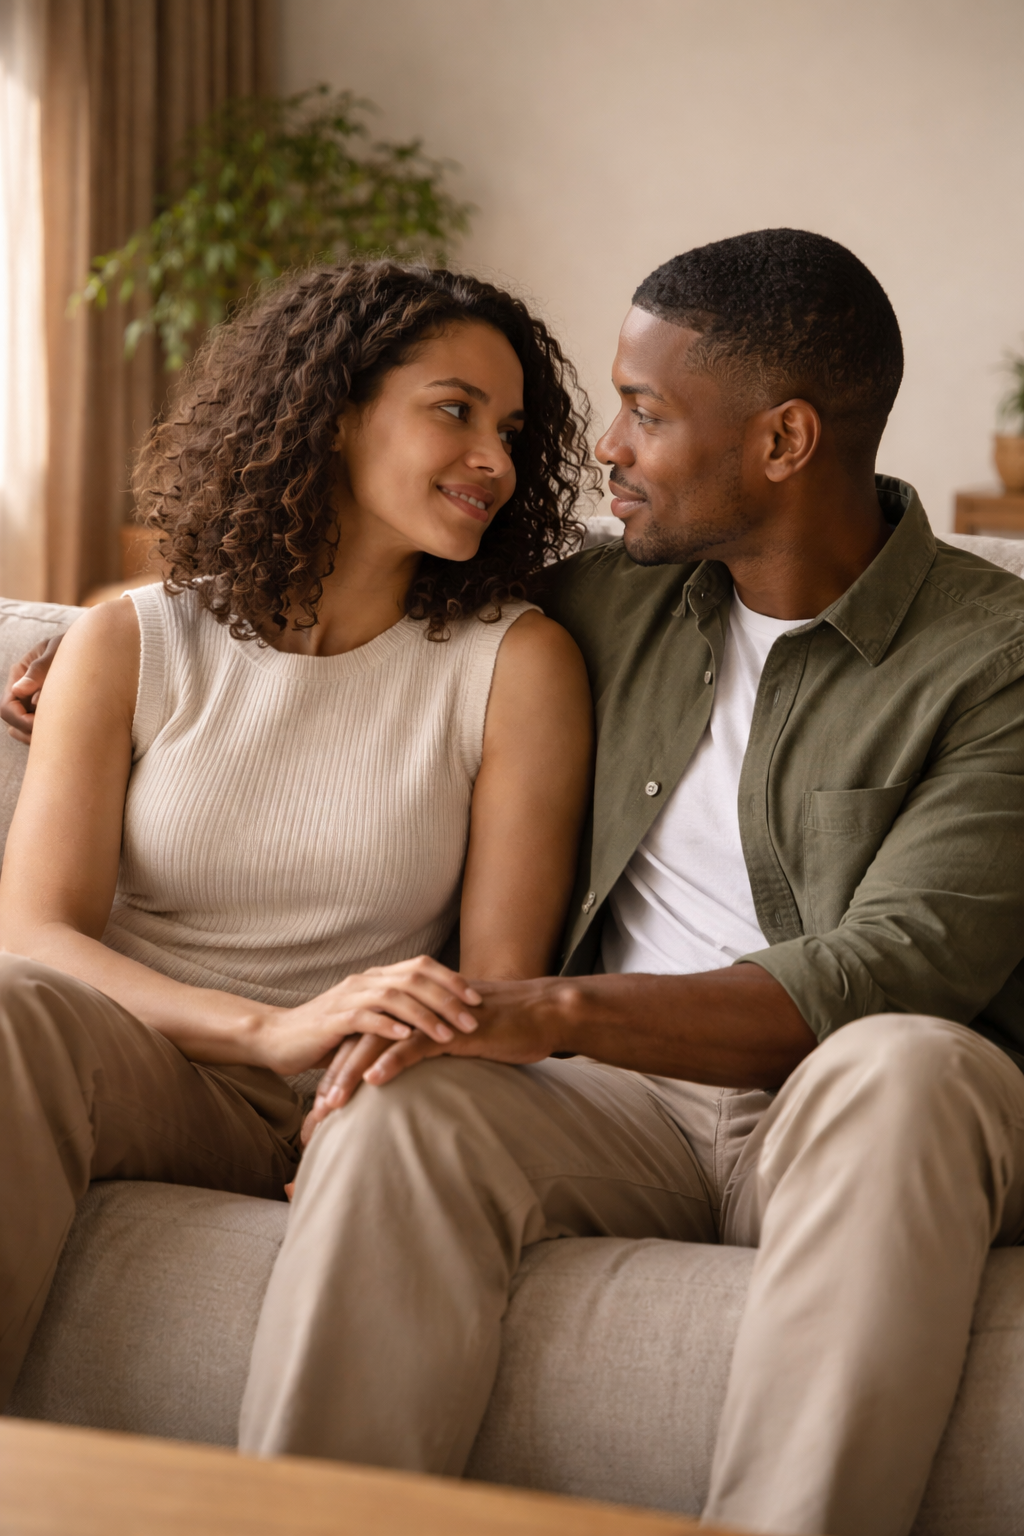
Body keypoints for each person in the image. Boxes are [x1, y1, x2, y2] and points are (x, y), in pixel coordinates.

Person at [8, 230, 1024, 1536]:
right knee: (404, 1096)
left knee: (910, 1064)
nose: (598, 449)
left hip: (838, 1091)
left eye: (646, 414)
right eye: (608, 407)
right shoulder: (619, 593)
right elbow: (348, 598)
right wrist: (77, 665)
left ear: (780, 443)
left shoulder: (992, 660)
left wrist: (549, 1012)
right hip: (621, 1110)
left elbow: (889, 969)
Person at [0, 263, 595, 1414]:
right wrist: (265, 1029)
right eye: (453, 410)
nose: (496, 461)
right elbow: (31, 933)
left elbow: (495, 988)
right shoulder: (135, 638)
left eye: (511, 430)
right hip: (140, 1068)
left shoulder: (513, 666)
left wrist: (332, 1075)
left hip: (345, 1104)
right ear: (332, 412)